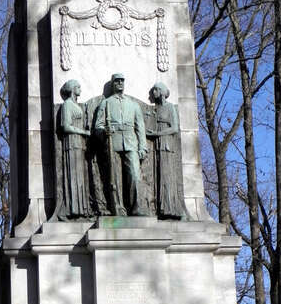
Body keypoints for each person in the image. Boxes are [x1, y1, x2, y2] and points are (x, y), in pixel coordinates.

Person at [94, 72, 147, 216]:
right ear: (113, 84)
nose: (120, 83)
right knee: (114, 178)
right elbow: (98, 126)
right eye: (117, 81)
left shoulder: (133, 105)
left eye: (122, 81)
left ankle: (136, 207)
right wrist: (104, 131)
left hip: (131, 143)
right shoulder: (105, 103)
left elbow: (140, 127)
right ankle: (117, 208)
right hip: (112, 142)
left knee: (135, 175)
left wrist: (142, 146)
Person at [147, 82, 186, 218]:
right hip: (157, 144)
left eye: (156, 90)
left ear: (162, 92)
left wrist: (157, 134)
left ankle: (171, 208)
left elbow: (175, 128)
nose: (153, 93)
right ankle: (161, 207)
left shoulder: (170, 108)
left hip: (167, 144)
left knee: (167, 175)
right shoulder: (156, 108)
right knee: (159, 174)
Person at [59, 79, 90, 218]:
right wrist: (84, 132)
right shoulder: (67, 105)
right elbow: (66, 126)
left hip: (79, 144)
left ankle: (80, 209)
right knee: (73, 176)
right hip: (71, 143)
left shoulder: (76, 105)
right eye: (78, 87)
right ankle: (70, 210)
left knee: (80, 177)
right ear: (72, 89)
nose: (80, 90)